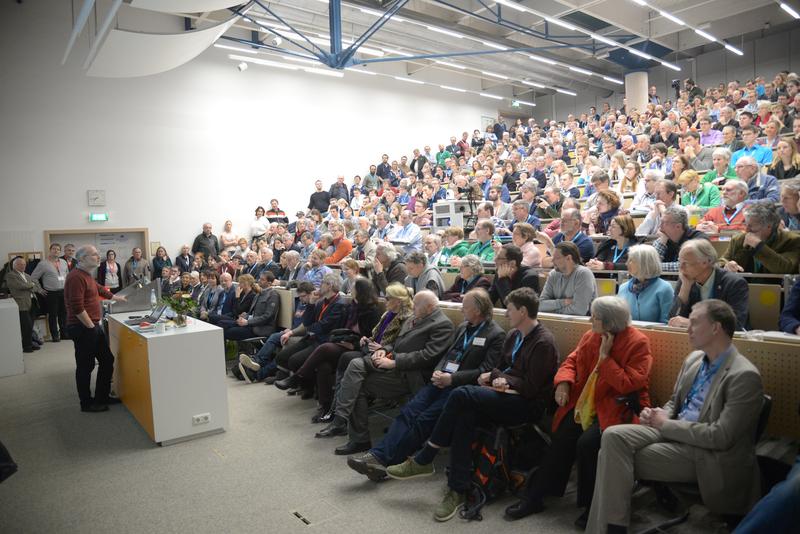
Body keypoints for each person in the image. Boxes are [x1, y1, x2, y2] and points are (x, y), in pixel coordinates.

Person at [586, 300, 764, 534]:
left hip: (706, 453)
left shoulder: (744, 376)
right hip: (673, 432)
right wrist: (659, 414)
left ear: (715, 328)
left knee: (611, 457)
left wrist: (666, 424)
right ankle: (613, 528)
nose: (687, 329)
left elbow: (721, 437)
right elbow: (674, 403)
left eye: (694, 323)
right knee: (612, 437)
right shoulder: (694, 360)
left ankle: (610, 529)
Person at [386, 288, 558, 523]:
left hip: (525, 404)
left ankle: (426, 457)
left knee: (460, 394)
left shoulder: (543, 342)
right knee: (464, 414)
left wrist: (503, 379)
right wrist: (494, 376)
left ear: (523, 311)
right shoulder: (514, 335)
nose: (506, 314)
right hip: (503, 394)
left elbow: (532, 387)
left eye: (509, 309)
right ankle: (457, 489)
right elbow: (500, 366)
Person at [505, 297, 653, 527]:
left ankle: (590, 505)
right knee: (562, 438)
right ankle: (536, 496)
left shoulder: (637, 343)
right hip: (586, 404)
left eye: (595, 317)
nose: (590, 320)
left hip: (618, 409)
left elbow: (629, 383)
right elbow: (571, 362)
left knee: (587, 444)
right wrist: (563, 382)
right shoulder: (591, 335)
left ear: (609, 322)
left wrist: (605, 360)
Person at [348, 288, 505, 481]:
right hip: (440, 380)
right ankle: (378, 456)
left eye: (466, 307)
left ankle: (384, 460)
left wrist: (452, 379)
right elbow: (447, 354)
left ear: (478, 310)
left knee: (424, 420)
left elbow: (484, 371)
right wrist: (439, 372)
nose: (462, 309)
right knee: (409, 412)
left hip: (460, 388)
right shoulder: (464, 327)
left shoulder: (496, 334)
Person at [316, 290, 454, 456]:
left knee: (355, 367)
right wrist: (384, 349)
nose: (412, 307)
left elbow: (429, 356)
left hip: (410, 374)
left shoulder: (442, 324)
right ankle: (356, 436)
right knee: (355, 380)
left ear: (430, 307)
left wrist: (395, 361)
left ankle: (342, 421)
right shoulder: (414, 317)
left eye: (416, 305)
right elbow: (397, 342)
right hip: (393, 365)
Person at [274, 276, 380, 401]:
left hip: (339, 342)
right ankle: (316, 397)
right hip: (332, 339)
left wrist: (353, 344)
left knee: (304, 358)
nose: (350, 289)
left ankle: (299, 381)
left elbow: (369, 336)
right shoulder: (330, 303)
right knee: (284, 356)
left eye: (353, 287)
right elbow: (308, 323)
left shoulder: (361, 309)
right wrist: (311, 305)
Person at [63, 245, 127, 412]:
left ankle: (102, 396)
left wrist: (116, 297)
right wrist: (91, 327)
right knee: (86, 366)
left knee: (107, 360)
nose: (99, 257)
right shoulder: (75, 277)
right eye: (94, 255)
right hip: (83, 327)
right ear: (82, 259)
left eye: (98, 254)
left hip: (91, 326)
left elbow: (98, 288)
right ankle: (86, 403)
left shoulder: (86, 275)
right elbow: (77, 307)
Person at [272, 272, 348, 387]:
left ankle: (304, 386)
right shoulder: (321, 302)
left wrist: (310, 328)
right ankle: (304, 385)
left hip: (324, 341)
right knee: (281, 357)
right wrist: (311, 304)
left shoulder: (339, 304)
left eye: (322, 283)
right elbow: (307, 322)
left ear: (330, 286)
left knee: (294, 360)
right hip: (313, 337)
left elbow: (323, 326)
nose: (319, 285)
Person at [237, 281, 316, 383]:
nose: (300, 299)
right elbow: (297, 321)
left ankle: (257, 374)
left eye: (303, 296)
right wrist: (290, 329)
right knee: (274, 337)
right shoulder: (301, 303)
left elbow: (306, 326)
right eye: (299, 296)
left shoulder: (313, 306)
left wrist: (291, 332)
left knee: (285, 348)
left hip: (303, 336)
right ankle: (257, 362)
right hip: (293, 332)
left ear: (311, 293)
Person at [668, 239, 749, 330]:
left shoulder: (733, 283)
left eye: (685, 263)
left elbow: (735, 324)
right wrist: (685, 289)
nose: (681, 268)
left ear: (705, 262)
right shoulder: (685, 280)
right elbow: (673, 320)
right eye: (679, 262)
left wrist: (691, 323)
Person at [720, 200, 800, 275]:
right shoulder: (739, 239)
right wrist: (726, 266)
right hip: (743, 286)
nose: (747, 230)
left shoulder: (791, 240)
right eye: (746, 224)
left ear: (769, 226)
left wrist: (759, 246)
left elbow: (786, 269)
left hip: (776, 287)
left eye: (751, 226)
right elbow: (721, 261)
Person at [617, 245, 674, 323]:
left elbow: (667, 322)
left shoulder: (664, 288)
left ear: (644, 263)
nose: (626, 264)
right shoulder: (623, 288)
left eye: (631, 260)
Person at [540, 242, 597, 316]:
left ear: (568, 258)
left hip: (582, 324)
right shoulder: (553, 274)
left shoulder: (583, 274)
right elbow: (540, 305)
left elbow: (579, 311)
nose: (552, 261)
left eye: (557, 258)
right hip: (556, 322)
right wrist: (564, 302)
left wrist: (551, 310)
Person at [222, 271, 280, 341]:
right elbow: (252, 312)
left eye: (262, 279)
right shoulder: (259, 293)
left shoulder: (273, 295)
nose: (259, 280)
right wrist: (245, 316)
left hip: (261, 328)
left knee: (227, 331)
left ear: (269, 283)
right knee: (222, 324)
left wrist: (247, 322)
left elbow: (268, 317)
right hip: (251, 324)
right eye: (259, 278)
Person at [5, 256, 46, 353]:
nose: (23, 266)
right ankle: (26, 347)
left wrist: (31, 286)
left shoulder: (27, 275)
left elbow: (35, 287)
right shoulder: (11, 275)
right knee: (25, 326)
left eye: (24, 264)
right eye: (20, 264)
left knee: (30, 325)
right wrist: (31, 285)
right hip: (22, 304)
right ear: (15, 266)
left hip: (32, 302)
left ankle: (30, 343)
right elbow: (20, 286)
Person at [31, 243, 69, 342]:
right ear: (50, 250)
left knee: (63, 314)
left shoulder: (63, 262)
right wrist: (39, 289)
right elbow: (33, 278)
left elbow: (67, 276)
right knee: (53, 315)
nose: (56, 251)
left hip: (63, 292)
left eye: (58, 249)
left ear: (60, 251)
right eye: (54, 249)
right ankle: (55, 336)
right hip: (51, 293)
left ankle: (64, 334)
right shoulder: (43, 264)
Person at [653, 206, 709, 272]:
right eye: (660, 222)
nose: (660, 227)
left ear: (678, 226)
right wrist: (662, 243)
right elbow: (650, 264)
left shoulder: (698, 239)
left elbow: (686, 266)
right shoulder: (664, 238)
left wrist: (656, 267)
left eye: (664, 223)